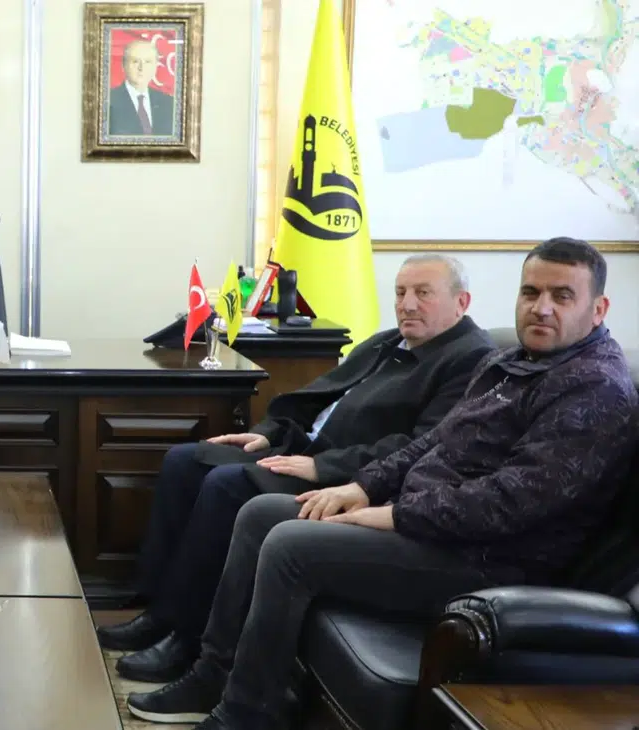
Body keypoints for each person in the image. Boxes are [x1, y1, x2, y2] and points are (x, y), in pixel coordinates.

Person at [128, 237, 638, 729]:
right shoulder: (509, 362)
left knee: (290, 545)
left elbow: (510, 502)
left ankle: (247, 713)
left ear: (598, 309)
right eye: (531, 292)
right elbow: (433, 441)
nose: (541, 308)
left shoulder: (595, 388)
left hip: (492, 559)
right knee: (261, 514)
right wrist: (362, 488)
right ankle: (213, 673)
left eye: (562, 296)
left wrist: (392, 514)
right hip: (433, 526)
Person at [98, 255, 494, 685]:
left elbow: (419, 446)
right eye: (400, 293)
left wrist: (322, 466)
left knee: (225, 486)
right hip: (302, 448)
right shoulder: (389, 341)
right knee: (184, 461)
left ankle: (187, 639)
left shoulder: (470, 359)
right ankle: (160, 612)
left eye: (423, 293)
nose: (407, 304)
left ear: (461, 302)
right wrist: (266, 433)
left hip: (349, 475)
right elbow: (314, 397)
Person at [108, 40, 175, 136]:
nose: (141, 68)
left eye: (148, 62)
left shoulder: (169, 103)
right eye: (135, 61)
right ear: (123, 65)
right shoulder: (108, 100)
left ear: (156, 66)